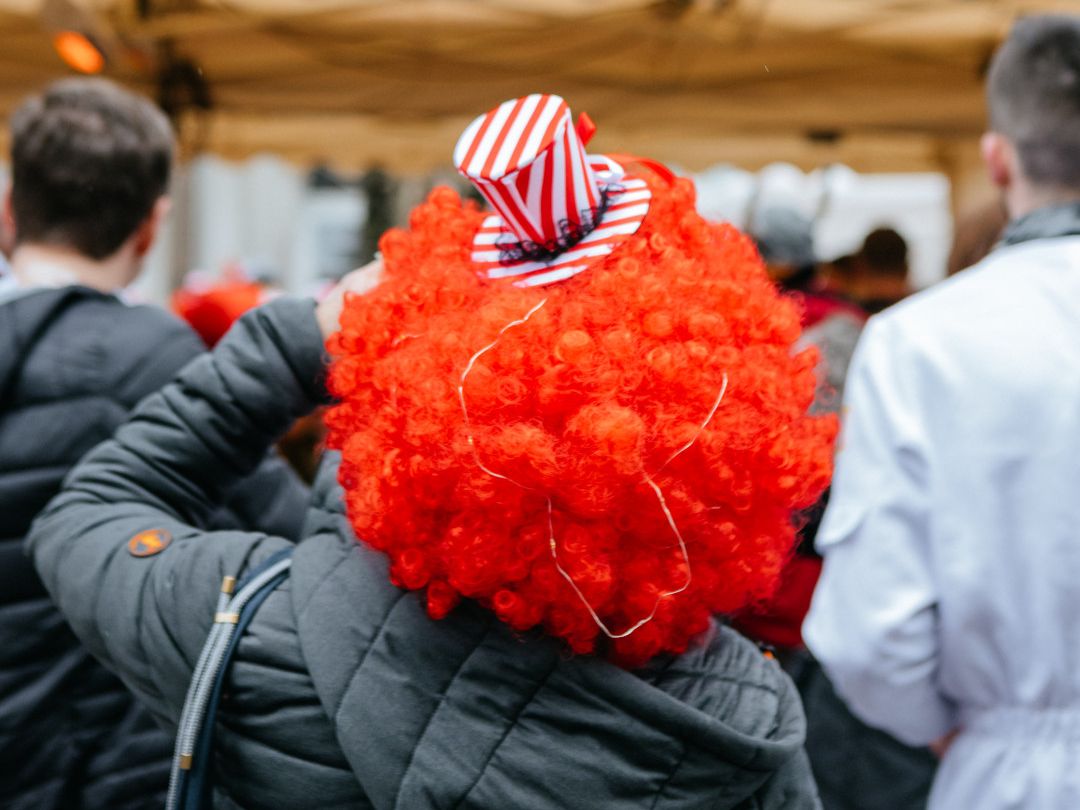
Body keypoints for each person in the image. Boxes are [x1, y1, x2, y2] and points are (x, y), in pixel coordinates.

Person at [28, 94, 834, 808]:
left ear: (408, 382)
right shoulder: (742, 729)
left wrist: (299, 344)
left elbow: (87, 516)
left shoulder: (254, 629)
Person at [0, 78, 308, 810]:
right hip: (104, 750)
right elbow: (286, 537)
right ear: (151, 224)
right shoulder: (155, 355)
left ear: (9, 213)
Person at [804, 14, 1080, 809]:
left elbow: (871, 636)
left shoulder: (919, 344)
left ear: (997, 160)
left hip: (1009, 772)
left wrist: (966, 727)